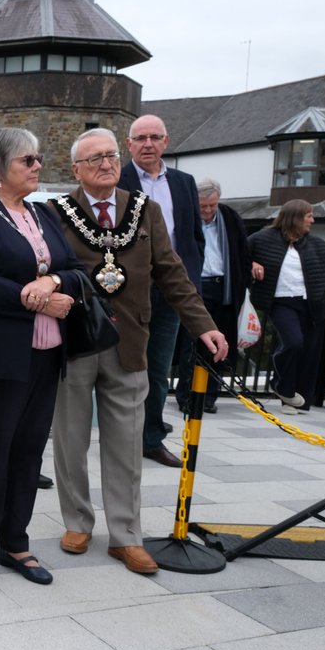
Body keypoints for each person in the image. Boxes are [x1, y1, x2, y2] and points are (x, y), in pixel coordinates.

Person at [48, 128, 228, 575]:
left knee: (127, 444)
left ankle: (126, 536)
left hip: (130, 342)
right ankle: (77, 522)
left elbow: (172, 272)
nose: (107, 163)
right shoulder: (55, 211)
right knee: (70, 438)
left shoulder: (145, 211)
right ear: (76, 170)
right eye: (94, 159)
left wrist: (203, 325)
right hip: (75, 341)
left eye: (111, 155)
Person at [0, 128, 84, 590]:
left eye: (38, 158)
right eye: (28, 160)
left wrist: (54, 284)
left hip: (45, 354)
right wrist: (39, 300)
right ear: (0, 167)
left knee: (28, 452)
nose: (37, 166)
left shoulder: (43, 213)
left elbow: (75, 268)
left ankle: (15, 542)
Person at [118, 114, 203, 469]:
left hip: (169, 289)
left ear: (166, 142)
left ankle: (151, 439)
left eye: (155, 137)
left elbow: (193, 235)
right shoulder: (116, 179)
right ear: (129, 144)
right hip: (127, 291)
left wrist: (190, 284)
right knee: (123, 365)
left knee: (158, 368)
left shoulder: (184, 183)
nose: (148, 144)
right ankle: (121, 436)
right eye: (141, 138)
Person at [248, 199, 325, 414]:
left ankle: (295, 400)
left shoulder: (318, 244)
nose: (312, 220)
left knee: (309, 353)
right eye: (309, 215)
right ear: (296, 217)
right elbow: (240, 256)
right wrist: (251, 264)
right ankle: (282, 386)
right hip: (281, 302)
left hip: (314, 304)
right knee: (294, 343)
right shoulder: (262, 238)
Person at [174, 179, 251, 414]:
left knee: (220, 343)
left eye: (212, 205)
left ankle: (210, 395)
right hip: (195, 286)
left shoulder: (229, 217)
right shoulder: (185, 217)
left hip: (224, 287)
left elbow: (242, 251)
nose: (207, 211)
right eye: (203, 206)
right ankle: (186, 395)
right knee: (192, 343)